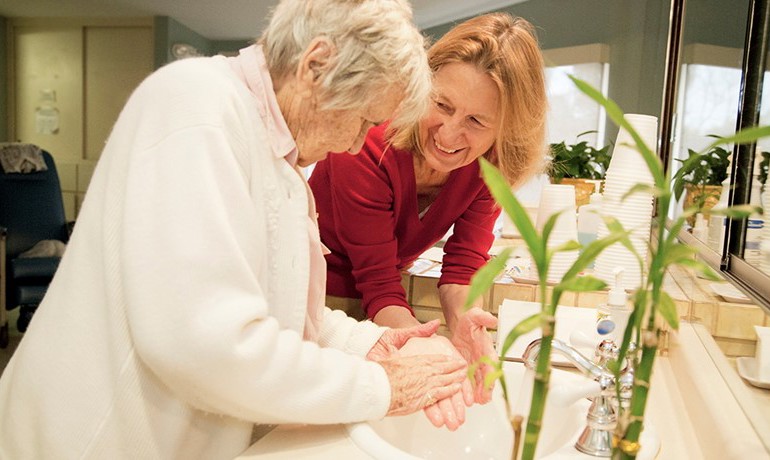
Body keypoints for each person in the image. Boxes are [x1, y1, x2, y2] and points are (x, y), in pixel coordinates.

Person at [0, 1, 471, 458]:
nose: (353, 144)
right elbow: (205, 343)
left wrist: (368, 343)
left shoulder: (278, 157)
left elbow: (272, 302)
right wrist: (383, 386)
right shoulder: (196, 105)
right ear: (317, 65)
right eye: (364, 120)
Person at [308, 12, 548, 415]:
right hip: (322, 302)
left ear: (504, 129)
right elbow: (379, 282)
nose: (449, 134)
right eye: (441, 104)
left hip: (384, 304)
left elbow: (463, 264)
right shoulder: (367, 145)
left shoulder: (491, 164)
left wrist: (464, 315)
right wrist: (421, 347)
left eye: (476, 121)